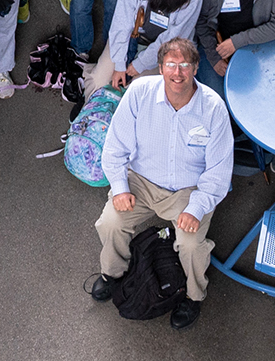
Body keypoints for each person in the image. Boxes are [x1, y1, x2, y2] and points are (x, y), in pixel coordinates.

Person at [90, 36, 232, 331]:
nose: (177, 72)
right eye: (171, 64)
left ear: (195, 69)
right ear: (160, 67)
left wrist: (196, 208)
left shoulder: (214, 109)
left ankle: (194, 296)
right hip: (141, 182)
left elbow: (218, 172)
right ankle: (112, 274)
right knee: (110, 223)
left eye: (184, 65)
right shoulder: (139, 92)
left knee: (191, 244)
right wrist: (119, 188)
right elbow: (115, 147)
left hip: (187, 191)